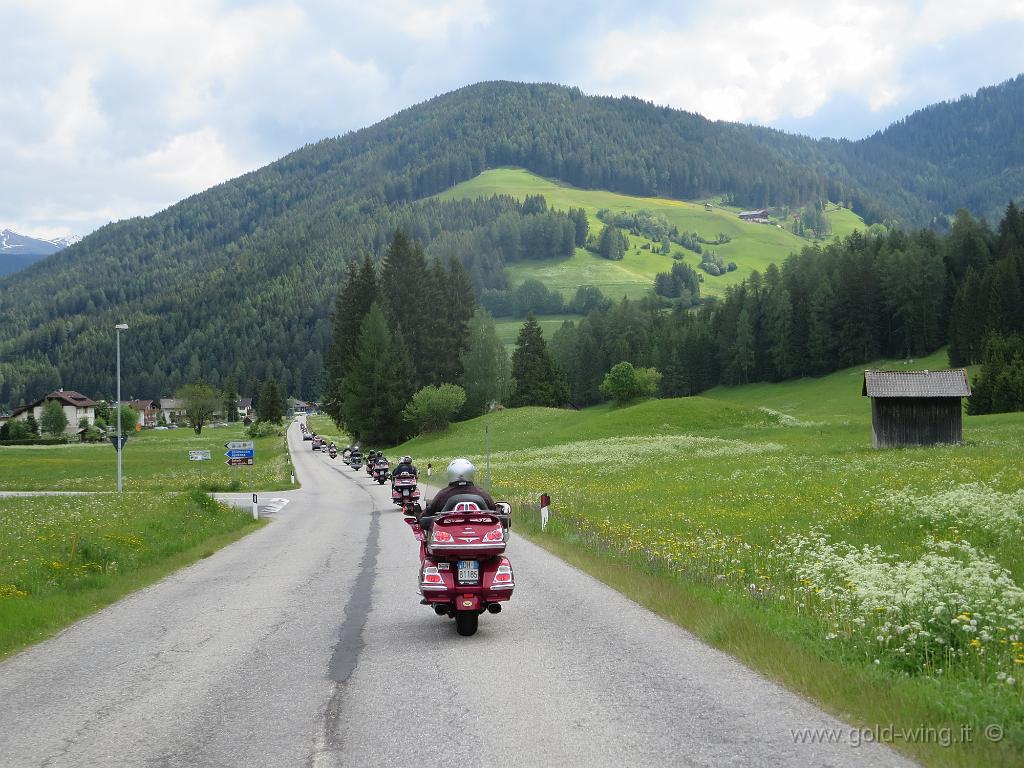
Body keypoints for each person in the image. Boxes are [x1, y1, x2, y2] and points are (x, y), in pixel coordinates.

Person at [423, 458, 495, 519]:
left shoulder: (442, 495)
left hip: (450, 532)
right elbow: (494, 512)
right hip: (480, 533)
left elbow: (428, 514)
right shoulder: (482, 494)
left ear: (450, 473)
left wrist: (419, 514)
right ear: (471, 473)